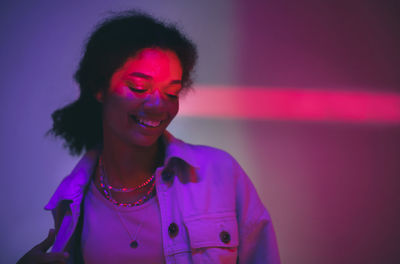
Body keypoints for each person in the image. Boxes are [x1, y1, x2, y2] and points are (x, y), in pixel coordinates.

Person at [17, 11, 280, 264]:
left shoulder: (220, 173)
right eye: (139, 87)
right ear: (99, 88)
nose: (157, 105)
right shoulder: (72, 200)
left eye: (171, 93)